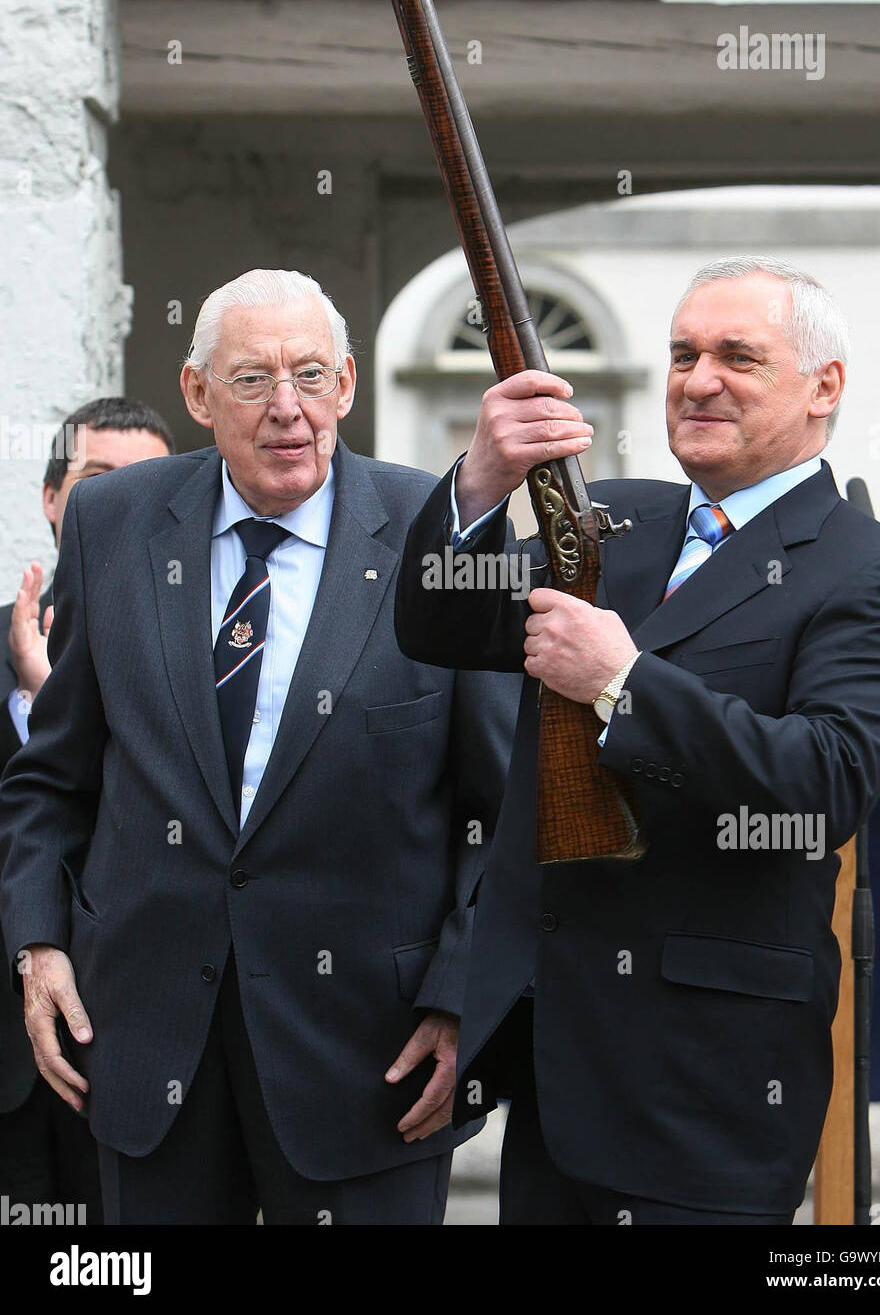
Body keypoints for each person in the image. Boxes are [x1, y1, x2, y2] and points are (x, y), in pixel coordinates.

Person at [394, 255, 880, 1224]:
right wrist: (481, 478)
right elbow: (438, 622)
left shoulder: (875, 570)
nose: (698, 379)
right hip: (556, 1075)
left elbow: (821, 785)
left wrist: (622, 681)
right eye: (684, 353)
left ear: (826, 388)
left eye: (739, 356)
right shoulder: (619, 521)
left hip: (709, 1095)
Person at [0, 269, 517, 1225]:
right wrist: (38, 945)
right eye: (250, 381)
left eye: (311, 376)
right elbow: (52, 776)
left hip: (374, 1060)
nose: (288, 409)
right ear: (197, 394)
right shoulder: (115, 525)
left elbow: (502, 808)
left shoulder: (442, 535)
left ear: (348, 386)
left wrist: (463, 997)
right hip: (148, 1043)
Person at [0, 398, 173, 1223]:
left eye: (146, 482)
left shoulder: (208, 659)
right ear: (51, 499)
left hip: (136, 1053)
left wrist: (48, 697)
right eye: (97, 480)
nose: (121, 501)